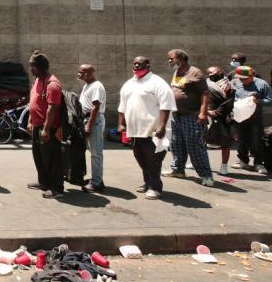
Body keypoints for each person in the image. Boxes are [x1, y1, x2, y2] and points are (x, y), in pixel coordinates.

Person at [118, 56, 176, 200]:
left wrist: (161, 126)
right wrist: (121, 123)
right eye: (134, 63)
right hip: (135, 131)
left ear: (148, 65)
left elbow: (166, 105)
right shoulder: (129, 83)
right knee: (141, 157)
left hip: (153, 131)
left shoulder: (157, 82)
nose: (136, 65)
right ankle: (148, 182)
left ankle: (155, 188)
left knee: (154, 160)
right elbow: (122, 106)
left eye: (140, 63)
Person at [163, 49, 214, 186]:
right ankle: (178, 170)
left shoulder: (195, 72)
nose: (169, 61)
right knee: (176, 144)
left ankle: (206, 175)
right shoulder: (177, 72)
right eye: (168, 59)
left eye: (171, 59)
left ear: (181, 58)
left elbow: (204, 94)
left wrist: (203, 113)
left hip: (191, 116)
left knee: (195, 146)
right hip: (177, 115)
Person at [25, 52, 63, 198]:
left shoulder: (52, 84)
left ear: (41, 67)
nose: (31, 69)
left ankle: (56, 189)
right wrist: (30, 121)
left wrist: (46, 130)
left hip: (48, 128)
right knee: (39, 156)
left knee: (52, 158)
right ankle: (43, 182)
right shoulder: (36, 80)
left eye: (33, 66)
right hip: (36, 126)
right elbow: (33, 102)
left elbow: (52, 108)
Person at [231, 66, 272, 175]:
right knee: (241, 140)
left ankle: (259, 163)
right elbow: (230, 97)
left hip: (255, 119)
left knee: (256, 141)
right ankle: (243, 161)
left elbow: (269, 101)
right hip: (239, 118)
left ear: (252, 75)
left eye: (244, 78)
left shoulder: (261, 84)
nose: (242, 80)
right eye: (240, 78)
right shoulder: (235, 82)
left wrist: (258, 100)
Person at [77, 64, 106, 192]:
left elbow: (95, 107)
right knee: (91, 151)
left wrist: (89, 124)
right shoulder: (87, 85)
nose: (79, 74)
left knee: (96, 153)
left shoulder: (97, 86)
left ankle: (96, 183)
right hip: (87, 119)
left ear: (90, 73)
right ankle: (97, 179)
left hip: (94, 120)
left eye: (81, 72)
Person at [205, 66, 235, 176]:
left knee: (225, 143)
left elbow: (229, 102)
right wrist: (207, 111)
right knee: (201, 140)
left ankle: (224, 165)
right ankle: (198, 162)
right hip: (207, 115)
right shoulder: (205, 83)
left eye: (212, 72)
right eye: (208, 73)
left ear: (220, 71)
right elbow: (202, 98)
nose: (210, 75)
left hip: (223, 117)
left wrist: (217, 112)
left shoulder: (229, 85)